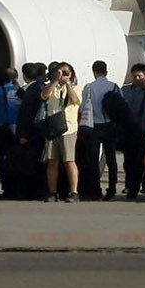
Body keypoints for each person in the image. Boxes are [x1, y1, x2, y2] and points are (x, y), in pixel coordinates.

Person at [79, 60, 120, 200]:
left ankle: (95, 189)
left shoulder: (89, 87)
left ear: (94, 71)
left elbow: (82, 106)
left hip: (94, 126)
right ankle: (112, 188)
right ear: (106, 71)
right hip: (111, 125)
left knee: (93, 159)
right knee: (111, 159)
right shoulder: (114, 87)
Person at [42, 62, 82, 202]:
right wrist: (55, 80)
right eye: (60, 72)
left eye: (65, 72)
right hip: (53, 129)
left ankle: (74, 192)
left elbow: (75, 100)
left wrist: (67, 84)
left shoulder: (76, 88)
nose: (62, 75)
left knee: (69, 161)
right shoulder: (52, 87)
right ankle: (53, 192)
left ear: (71, 74)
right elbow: (44, 95)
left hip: (68, 129)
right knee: (52, 161)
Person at [120, 63, 145, 199]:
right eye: (135, 75)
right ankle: (129, 184)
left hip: (142, 131)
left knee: (138, 161)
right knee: (127, 162)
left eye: (140, 75)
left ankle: (134, 188)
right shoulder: (124, 91)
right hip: (126, 131)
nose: (137, 78)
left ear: (144, 77)